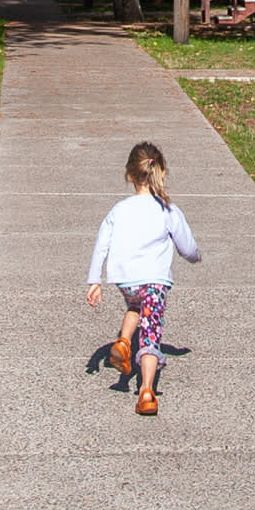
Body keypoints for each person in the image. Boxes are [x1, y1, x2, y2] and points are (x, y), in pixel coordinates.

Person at [85, 140, 200, 415]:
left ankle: (124, 342)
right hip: (155, 281)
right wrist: (196, 256)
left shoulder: (119, 209)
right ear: (161, 172)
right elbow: (187, 247)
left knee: (136, 307)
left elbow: (101, 243)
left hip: (126, 282)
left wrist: (94, 281)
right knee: (150, 335)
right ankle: (146, 390)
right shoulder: (167, 209)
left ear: (129, 175)